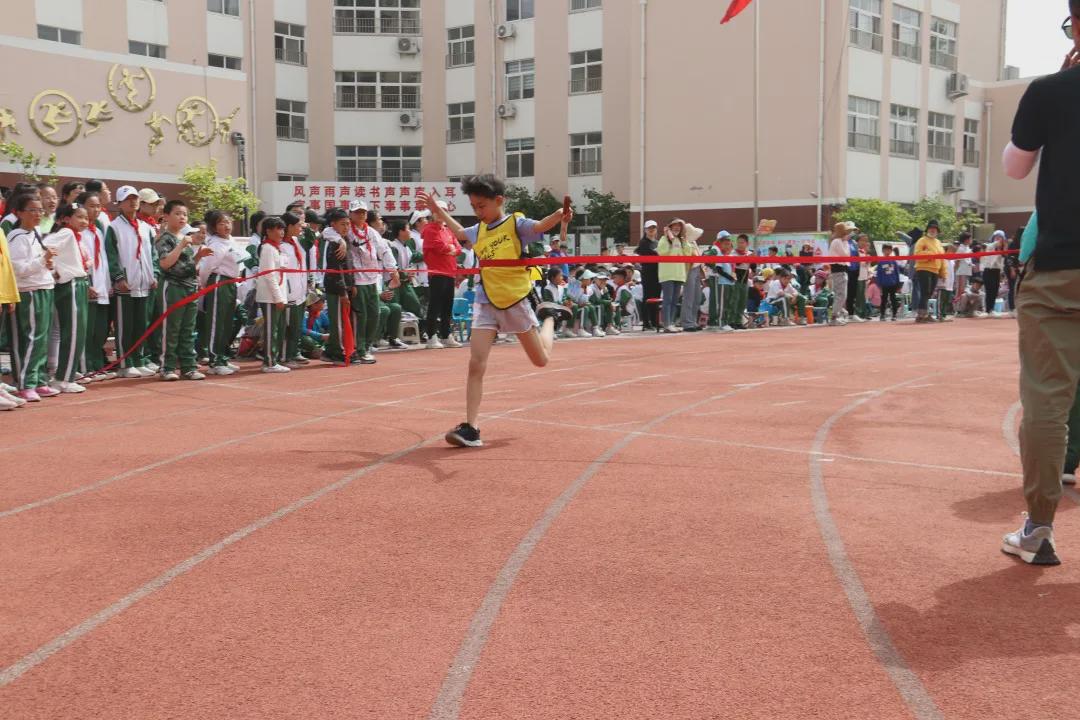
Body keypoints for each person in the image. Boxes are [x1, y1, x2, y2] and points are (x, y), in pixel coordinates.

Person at [999, 3, 1080, 564]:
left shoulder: (1051, 91)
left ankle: (1039, 529)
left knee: (1048, 400)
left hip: (1061, 269)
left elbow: (1015, 167)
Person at [417, 175, 572, 448]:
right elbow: (460, 233)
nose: (478, 212)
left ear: (498, 201)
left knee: (540, 360)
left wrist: (559, 214)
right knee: (476, 363)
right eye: (474, 207)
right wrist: (437, 211)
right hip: (486, 300)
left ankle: (549, 318)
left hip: (515, 300)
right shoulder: (479, 229)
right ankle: (471, 428)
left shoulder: (516, 224)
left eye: (482, 206)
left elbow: (540, 225)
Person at [7, 194, 58, 400]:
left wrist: (48, 264)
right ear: (19, 213)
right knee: (31, 338)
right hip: (29, 291)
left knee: (42, 339)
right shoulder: (17, 237)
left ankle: (39, 380)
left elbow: (37, 263)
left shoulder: (35, 233)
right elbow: (19, 270)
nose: (38, 214)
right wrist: (43, 260)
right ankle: (25, 383)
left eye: (40, 210)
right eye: (32, 210)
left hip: (44, 287)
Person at [105, 185, 158, 378]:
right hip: (126, 285)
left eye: (135, 198)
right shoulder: (113, 227)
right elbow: (111, 255)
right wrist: (118, 277)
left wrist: (154, 274)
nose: (133, 202)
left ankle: (139, 360)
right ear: (119, 204)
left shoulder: (146, 228)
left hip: (145, 284)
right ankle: (125, 363)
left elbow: (153, 254)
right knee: (125, 326)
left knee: (141, 325)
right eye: (128, 199)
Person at [155, 200, 210, 381]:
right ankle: (167, 367)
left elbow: (187, 266)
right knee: (171, 328)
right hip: (173, 287)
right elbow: (165, 263)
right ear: (166, 216)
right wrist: (180, 246)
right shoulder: (165, 239)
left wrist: (198, 257)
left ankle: (188, 367)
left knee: (188, 329)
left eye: (185, 214)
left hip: (189, 287)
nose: (182, 217)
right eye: (177, 213)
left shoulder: (185, 238)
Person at [43, 203, 91, 393]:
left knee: (77, 332)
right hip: (70, 285)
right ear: (65, 219)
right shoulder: (67, 233)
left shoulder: (76, 237)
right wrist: (55, 271)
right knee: (73, 332)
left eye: (86, 218)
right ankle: (63, 378)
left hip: (78, 284)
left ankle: (67, 374)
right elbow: (45, 247)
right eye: (79, 217)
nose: (84, 221)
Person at [344, 201, 399, 364]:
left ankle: (366, 347)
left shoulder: (372, 232)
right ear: (350, 214)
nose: (361, 215)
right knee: (361, 316)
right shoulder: (347, 230)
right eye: (357, 212)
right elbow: (328, 232)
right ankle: (359, 349)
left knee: (375, 314)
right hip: (357, 280)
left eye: (363, 212)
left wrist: (393, 269)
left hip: (373, 279)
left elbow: (384, 250)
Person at [199, 211, 245, 375]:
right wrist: (204, 285)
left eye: (228, 222)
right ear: (214, 227)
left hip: (231, 283)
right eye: (221, 223)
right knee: (217, 322)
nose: (226, 226)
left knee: (226, 322)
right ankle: (214, 361)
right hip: (219, 282)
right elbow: (206, 268)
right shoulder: (216, 244)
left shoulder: (231, 240)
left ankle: (222, 357)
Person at [75, 192, 113, 381]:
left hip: (102, 287)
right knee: (87, 331)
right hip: (88, 287)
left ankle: (97, 365)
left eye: (98, 206)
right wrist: (88, 284)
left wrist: (108, 283)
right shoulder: (78, 233)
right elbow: (81, 261)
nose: (96, 209)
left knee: (100, 330)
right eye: (92, 206)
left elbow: (102, 259)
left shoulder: (98, 231)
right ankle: (85, 367)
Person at [422, 200, 463, 349]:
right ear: (432, 214)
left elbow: (458, 248)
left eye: (443, 211)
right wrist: (450, 248)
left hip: (449, 272)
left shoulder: (448, 230)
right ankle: (431, 336)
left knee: (447, 306)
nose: (440, 214)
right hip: (437, 273)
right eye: (437, 211)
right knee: (435, 305)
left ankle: (446, 335)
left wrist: (451, 248)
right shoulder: (429, 229)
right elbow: (439, 246)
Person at [255, 217, 290, 373]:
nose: (281, 232)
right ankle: (269, 362)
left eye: (282, 229)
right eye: (278, 229)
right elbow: (269, 275)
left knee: (275, 328)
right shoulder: (268, 248)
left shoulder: (276, 248)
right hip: (270, 297)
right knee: (271, 329)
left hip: (276, 296)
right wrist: (278, 297)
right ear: (268, 231)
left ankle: (272, 359)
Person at [320, 208, 355, 365]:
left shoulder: (344, 240)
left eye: (348, 224)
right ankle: (337, 352)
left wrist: (352, 284)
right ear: (333, 224)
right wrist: (343, 292)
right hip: (335, 288)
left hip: (345, 286)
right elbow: (336, 269)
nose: (346, 227)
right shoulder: (334, 243)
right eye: (342, 224)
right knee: (337, 322)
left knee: (342, 320)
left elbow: (349, 265)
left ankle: (332, 350)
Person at [280, 212, 310, 368]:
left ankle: (293, 353)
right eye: (298, 225)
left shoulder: (296, 242)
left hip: (300, 291)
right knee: (288, 327)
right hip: (289, 293)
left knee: (297, 326)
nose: (301, 228)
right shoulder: (280, 245)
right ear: (289, 226)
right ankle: (285, 356)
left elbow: (311, 240)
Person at [658, 219, 696, 333]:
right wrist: (671, 239)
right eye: (674, 226)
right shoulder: (663, 239)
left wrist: (684, 241)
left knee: (675, 301)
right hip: (667, 274)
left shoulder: (681, 240)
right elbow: (663, 252)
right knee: (668, 300)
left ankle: (671, 323)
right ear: (669, 228)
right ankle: (666, 324)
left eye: (679, 227)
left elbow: (688, 254)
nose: (677, 228)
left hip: (679, 274)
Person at [703, 231, 736, 331]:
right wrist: (714, 267)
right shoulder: (716, 249)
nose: (727, 243)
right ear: (719, 241)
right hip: (717, 277)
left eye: (728, 240)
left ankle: (712, 322)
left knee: (715, 301)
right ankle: (721, 322)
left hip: (718, 277)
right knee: (720, 301)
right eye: (725, 240)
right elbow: (705, 256)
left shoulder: (721, 250)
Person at [635, 220, 661, 330]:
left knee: (656, 297)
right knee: (648, 297)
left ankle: (655, 321)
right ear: (645, 230)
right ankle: (646, 322)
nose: (651, 230)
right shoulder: (643, 242)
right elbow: (652, 254)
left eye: (653, 228)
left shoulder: (658, 242)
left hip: (657, 272)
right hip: (647, 273)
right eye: (649, 228)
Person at [828, 223, 851, 326]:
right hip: (838, 269)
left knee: (841, 294)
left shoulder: (837, 241)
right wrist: (846, 242)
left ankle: (837, 315)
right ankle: (834, 317)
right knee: (841, 295)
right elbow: (846, 255)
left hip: (840, 269)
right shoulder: (838, 241)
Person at [982, 230, 1006, 316]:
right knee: (989, 290)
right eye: (996, 237)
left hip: (997, 271)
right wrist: (997, 243)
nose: (998, 239)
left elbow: (1002, 263)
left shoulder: (1003, 250)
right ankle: (987, 310)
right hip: (988, 270)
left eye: (1000, 237)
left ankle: (991, 309)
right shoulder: (990, 246)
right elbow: (991, 246)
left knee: (995, 291)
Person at [875, 244, 902, 321]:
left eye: (889, 250)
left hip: (893, 283)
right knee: (884, 300)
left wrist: (898, 284)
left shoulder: (894, 261)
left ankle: (894, 315)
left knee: (893, 299)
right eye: (885, 250)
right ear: (883, 251)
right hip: (884, 284)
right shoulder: (881, 261)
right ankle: (882, 315)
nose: (887, 251)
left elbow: (897, 273)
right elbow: (878, 274)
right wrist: (879, 284)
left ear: (891, 251)